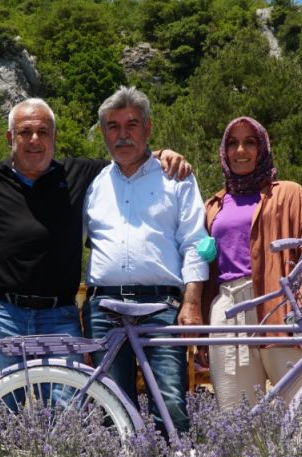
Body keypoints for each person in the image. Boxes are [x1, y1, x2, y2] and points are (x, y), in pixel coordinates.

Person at [0, 98, 192, 386]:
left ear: (54, 137)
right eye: (25, 132)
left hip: (60, 316)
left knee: (63, 414)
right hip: (0, 315)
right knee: (1, 413)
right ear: (10, 139)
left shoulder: (82, 174)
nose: (34, 140)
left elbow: (130, 159)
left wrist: (162, 154)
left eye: (43, 132)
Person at [83, 86, 209, 436]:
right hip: (103, 309)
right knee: (111, 405)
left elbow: (195, 242)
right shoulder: (91, 183)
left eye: (132, 124)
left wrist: (193, 301)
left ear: (148, 128)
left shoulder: (176, 177)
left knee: (169, 401)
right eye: (113, 126)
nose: (122, 134)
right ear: (103, 132)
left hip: (162, 305)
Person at [201, 115, 302, 411]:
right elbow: (203, 271)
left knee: (301, 408)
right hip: (228, 310)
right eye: (233, 143)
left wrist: (301, 302)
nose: (240, 151)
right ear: (224, 152)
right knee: (236, 412)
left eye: (249, 142)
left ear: (262, 148)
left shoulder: (289, 193)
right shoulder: (213, 205)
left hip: (279, 307)